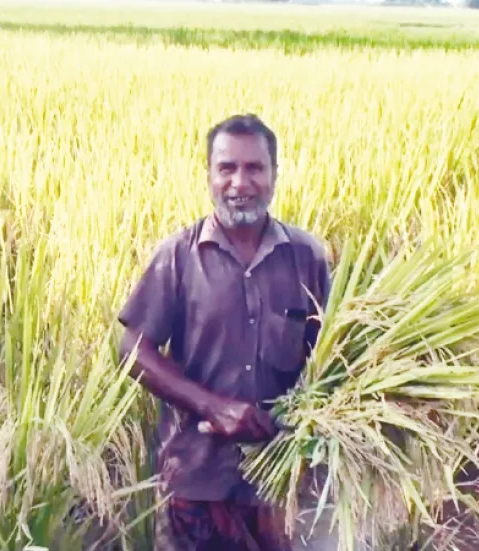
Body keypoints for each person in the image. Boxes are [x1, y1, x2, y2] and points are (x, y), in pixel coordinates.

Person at [117, 114, 332, 551]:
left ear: (274, 175)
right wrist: (211, 406)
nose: (240, 182)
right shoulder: (178, 256)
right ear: (209, 175)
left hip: (280, 481)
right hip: (195, 481)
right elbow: (130, 347)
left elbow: (332, 356)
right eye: (227, 168)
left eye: (255, 168)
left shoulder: (307, 257)